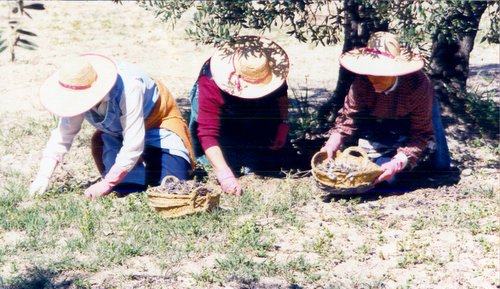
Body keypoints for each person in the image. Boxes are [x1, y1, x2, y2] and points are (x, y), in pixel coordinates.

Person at [30, 53, 194, 199]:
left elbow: (133, 142)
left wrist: (107, 183)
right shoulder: (75, 98)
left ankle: (156, 158)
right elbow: (63, 135)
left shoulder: (129, 87)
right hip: (116, 135)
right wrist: (43, 176)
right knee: (127, 187)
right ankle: (138, 171)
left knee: (173, 186)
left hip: (157, 126)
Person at [321, 32, 451, 186]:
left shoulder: (419, 86)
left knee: (439, 165)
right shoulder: (362, 84)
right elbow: (348, 119)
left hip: (412, 116)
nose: (373, 79)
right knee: (376, 169)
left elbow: (420, 133)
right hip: (379, 117)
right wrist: (331, 145)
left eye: (381, 74)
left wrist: (397, 163)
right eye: (371, 73)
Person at [189, 35, 305, 195]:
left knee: (261, 163)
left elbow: (281, 96)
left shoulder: (269, 70)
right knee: (220, 163)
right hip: (220, 104)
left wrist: (283, 125)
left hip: (253, 109)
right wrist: (225, 176)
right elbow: (207, 133)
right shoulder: (210, 82)